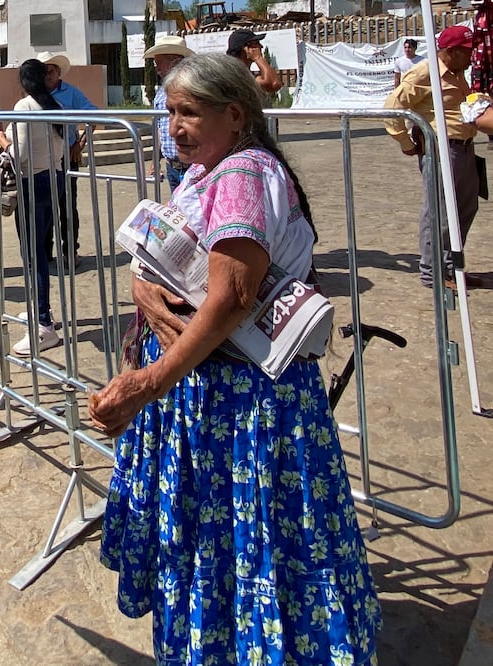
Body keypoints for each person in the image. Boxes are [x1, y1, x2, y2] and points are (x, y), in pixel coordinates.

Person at [88, 53, 382, 665]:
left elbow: (230, 297)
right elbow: (169, 261)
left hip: (241, 403)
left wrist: (148, 383)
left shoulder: (244, 173)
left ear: (236, 114)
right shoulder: (204, 172)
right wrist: (142, 288)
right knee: (227, 540)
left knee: (247, 540)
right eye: (170, 112)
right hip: (211, 396)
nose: (176, 126)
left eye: (191, 113)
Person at [384, 24, 481, 289]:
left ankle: (451, 267)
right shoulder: (425, 73)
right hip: (441, 149)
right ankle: (433, 272)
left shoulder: (457, 71)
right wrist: (405, 142)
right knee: (438, 213)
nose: (471, 56)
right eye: (466, 51)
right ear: (450, 51)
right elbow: (392, 107)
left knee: (465, 207)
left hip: (464, 147)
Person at [0, 59, 65, 356]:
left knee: (33, 254)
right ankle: (41, 310)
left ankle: (42, 326)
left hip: (33, 182)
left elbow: (20, 154)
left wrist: (1, 140)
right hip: (54, 179)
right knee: (39, 250)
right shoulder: (53, 105)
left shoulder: (24, 107)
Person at [39, 50, 97, 271]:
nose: (47, 75)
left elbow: (93, 115)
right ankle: (45, 251)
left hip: (64, 158)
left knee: (67, 207)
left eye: (51, 70)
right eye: (44, 71)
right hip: (42, 159)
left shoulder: (71, 93)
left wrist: (80, 143)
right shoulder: (36, 95)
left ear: (58, 71)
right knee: (45, 206)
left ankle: (70, 250)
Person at [145, 36, 194, 194]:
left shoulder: (193, 88)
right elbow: (160, 129)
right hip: (172, 166)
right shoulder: (160, 93)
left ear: (173, 61)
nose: (155, 65)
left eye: (159, 61)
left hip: (193, 165)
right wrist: (155, 159)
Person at [226, 29, 282, 94]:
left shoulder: (245, 74)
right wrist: (258, 58)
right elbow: (273, 84)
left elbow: (275, 84)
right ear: (245, 48)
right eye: (256, 43)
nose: (261, 46)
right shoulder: (235, 75)